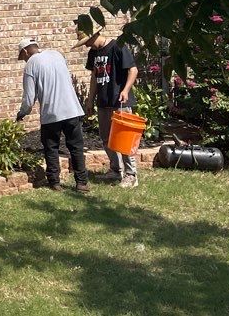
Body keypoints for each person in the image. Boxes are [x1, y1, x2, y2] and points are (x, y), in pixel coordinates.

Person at [16, 36, 90, 193]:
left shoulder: (31, 64)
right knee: (76, 147)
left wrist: (22, 114)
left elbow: (29, 98)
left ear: (25, 51)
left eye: (22, 56)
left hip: (51, 114)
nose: (23, 60)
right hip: (72, 109)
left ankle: (55, 183)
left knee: (51, 147)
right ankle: (82, 183)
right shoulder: (57, 55)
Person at [80, 27, 140, 188]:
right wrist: (90, 99)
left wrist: (126, 90)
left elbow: (133, 70)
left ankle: (131, 175)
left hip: (120, 101)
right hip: (103, 101)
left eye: (87, 42)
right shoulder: (93, 53)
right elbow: (94, 76)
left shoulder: (118, 47)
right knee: (106, 138)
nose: (86, 46)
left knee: (124, 139)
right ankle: (115, 169)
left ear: (95, 36)